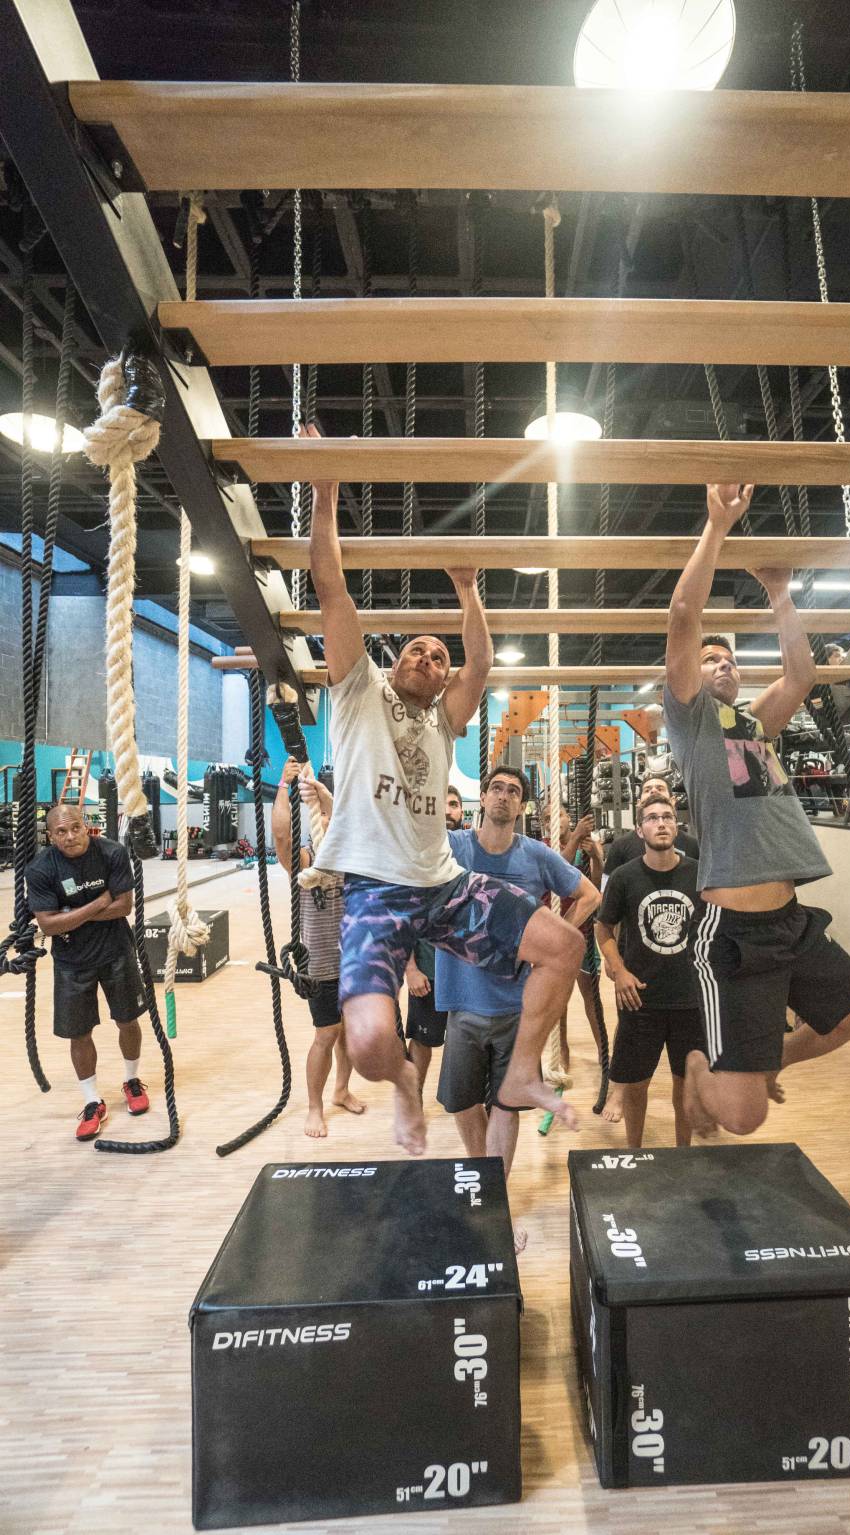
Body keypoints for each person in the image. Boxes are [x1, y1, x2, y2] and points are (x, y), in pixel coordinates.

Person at [302, 421, 583, 1154]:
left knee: (564, 945)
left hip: (446, 884)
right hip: (373, 890)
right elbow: (329, 583)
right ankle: (403, 1086)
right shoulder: (359, 690)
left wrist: (467, 590)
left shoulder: (445, 721)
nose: (432, 656)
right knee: (365, 1043)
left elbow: (481, 664)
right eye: (419, 650)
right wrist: (325, 490)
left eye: (440, 654)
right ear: (393, 663)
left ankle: (521, 1072)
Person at [663, 481, 850, 1137]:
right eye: (710, 659)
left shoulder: (752, 726)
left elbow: (800, 678)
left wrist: (780, 592)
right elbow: (683, 610)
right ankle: (703, 1070)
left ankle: (765, 1061)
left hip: (789, 922)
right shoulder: (691, 723)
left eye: (730, 657)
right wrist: (717, 526)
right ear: (692, 678)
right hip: (731, 936)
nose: (722, 664)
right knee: (742, 1121)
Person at [433, 765, 600, 1247]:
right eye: (497, 789)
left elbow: (588, 894)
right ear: (482, 798)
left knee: (506, 1104)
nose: (504, 797)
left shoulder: (537, 856)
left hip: (516, 1007)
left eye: (514, 792)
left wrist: (553, 934)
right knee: (464, 1103)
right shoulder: (454, 847)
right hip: (462, 1001)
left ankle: (492, 1199)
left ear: (522, 806)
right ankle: (485, 1180)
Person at [26, 804, 150, 1140]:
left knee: (127, 1019)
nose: (70, 836)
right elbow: (48, 925)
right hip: (71, 961)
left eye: (75, 828)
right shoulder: (40, 868)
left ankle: (131, 1080)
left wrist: (69, 913)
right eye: (61, 832)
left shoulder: (112, 852)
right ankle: (92, 1101)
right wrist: (97, 904)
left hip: (116, 952)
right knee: (78, 1033)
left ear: (86, 827)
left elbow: (123, 906)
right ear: (51, 836)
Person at [595, 795, 709, 1146]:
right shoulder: (626, 878)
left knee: (685, 1085)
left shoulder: (699, 873)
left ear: (677, 825)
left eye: (668, 817)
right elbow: (603, 928)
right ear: (639, 829)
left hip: (691, 999)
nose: (661, 823)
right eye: (652, 818)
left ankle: (682, 1155)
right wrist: (619, 971)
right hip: (640, 999)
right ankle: (636, 1154)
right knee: (635, 1084)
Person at [271, 757, 364, 1138]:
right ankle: (315, 1106)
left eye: (331, 820)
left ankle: (342, 1090)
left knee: (350, 1034)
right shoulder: (307, 864)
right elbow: (281, 838)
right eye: (321, 821)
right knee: (326, 1034)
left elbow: (351, 822)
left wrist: (325, 797)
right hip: (323, 965)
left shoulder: (355, 858)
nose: (327, 824)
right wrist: (283, 786)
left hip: (357, 962)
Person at [402, 785, 465, 1091]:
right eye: (441, 805)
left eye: (453, 804)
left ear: (462, 811)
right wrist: (411, 969)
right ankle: (412, 1100)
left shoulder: (472, 852)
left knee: (470, 1040)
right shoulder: (416, 857)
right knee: (422, 1040)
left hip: (467, 970)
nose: (447, 811)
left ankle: (468, 1101)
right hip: (428, 969)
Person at [557, 805, 606, 1068]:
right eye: (546, 817)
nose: (553, 820)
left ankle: (602, 1050)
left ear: (568, 816)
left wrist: (596, 857)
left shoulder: (586, 844)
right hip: (557, 932)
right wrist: (576, 837)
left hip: (583, 930)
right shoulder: (546, 846)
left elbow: (595, 886)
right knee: (559, 998)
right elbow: (556, 872)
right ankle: (562, 1049)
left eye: (559, 814)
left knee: (591, 993)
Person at [602, 773, 698, 883]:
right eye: (647, 790)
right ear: (638, 804)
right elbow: (607, 890)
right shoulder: (621, 846)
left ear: (673, 801)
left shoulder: (693, 845)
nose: (653, 791)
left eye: (660, 788)